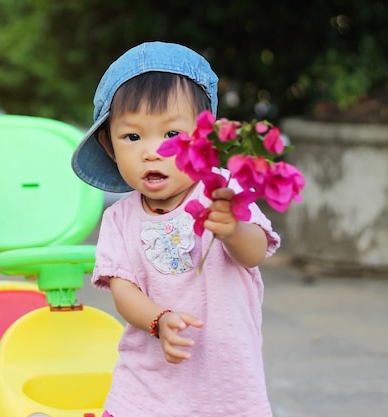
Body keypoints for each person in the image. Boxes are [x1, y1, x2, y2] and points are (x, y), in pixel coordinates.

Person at [71, 41, 281, 417]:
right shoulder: (119, 219)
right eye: (132, 137)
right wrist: (158, 320)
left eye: (171, 135)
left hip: (227, 389)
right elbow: (123, 290)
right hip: (145, 388)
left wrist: (233, 229)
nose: (152, 152)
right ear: (109, 145)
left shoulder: (222, 191)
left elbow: (254, 254)